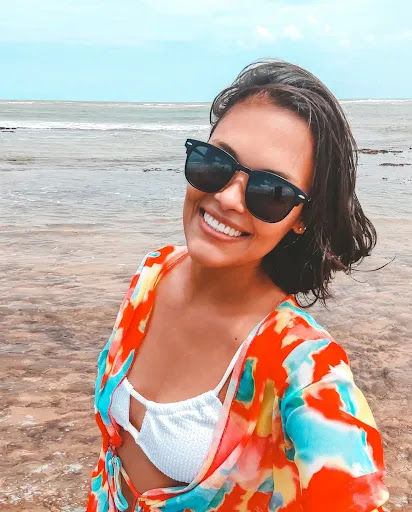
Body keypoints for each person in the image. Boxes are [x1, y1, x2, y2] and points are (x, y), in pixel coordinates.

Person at [86, 58, 389, 512]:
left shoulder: (303, 367)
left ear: (302, 218)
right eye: (215, 163)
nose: (227, 198)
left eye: (271, 191)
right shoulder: (153, 274)